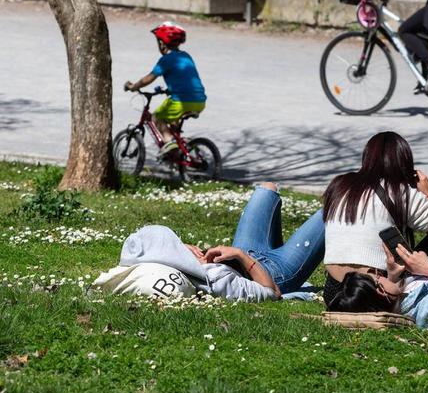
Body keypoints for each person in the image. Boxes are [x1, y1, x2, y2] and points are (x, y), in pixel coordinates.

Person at [322, 131, 428, 308]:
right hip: (375, 288)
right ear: (405, 163)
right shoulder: (400, 192)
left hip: (334, 291)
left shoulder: (339, 185)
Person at [115, 182, 325, 302]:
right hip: (276, 273)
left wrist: (183, 249)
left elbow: (142, 246)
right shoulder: (216, 282)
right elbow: (272, 293)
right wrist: (240, 256)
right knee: (334, 210)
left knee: (266, 189)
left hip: (245, 249)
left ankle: (280, 246)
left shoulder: (159, 261)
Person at [124, 21, 207, 156]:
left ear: (162, 43)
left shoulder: (166, 60)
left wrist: (133, 86)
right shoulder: (186, 56)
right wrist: (170, 89)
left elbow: (148, 78)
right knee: (172, 119)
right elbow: (185, 77)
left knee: (156, 117)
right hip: (200, 101)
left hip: (181, 101)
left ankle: (170, 143)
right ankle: (178, 152)